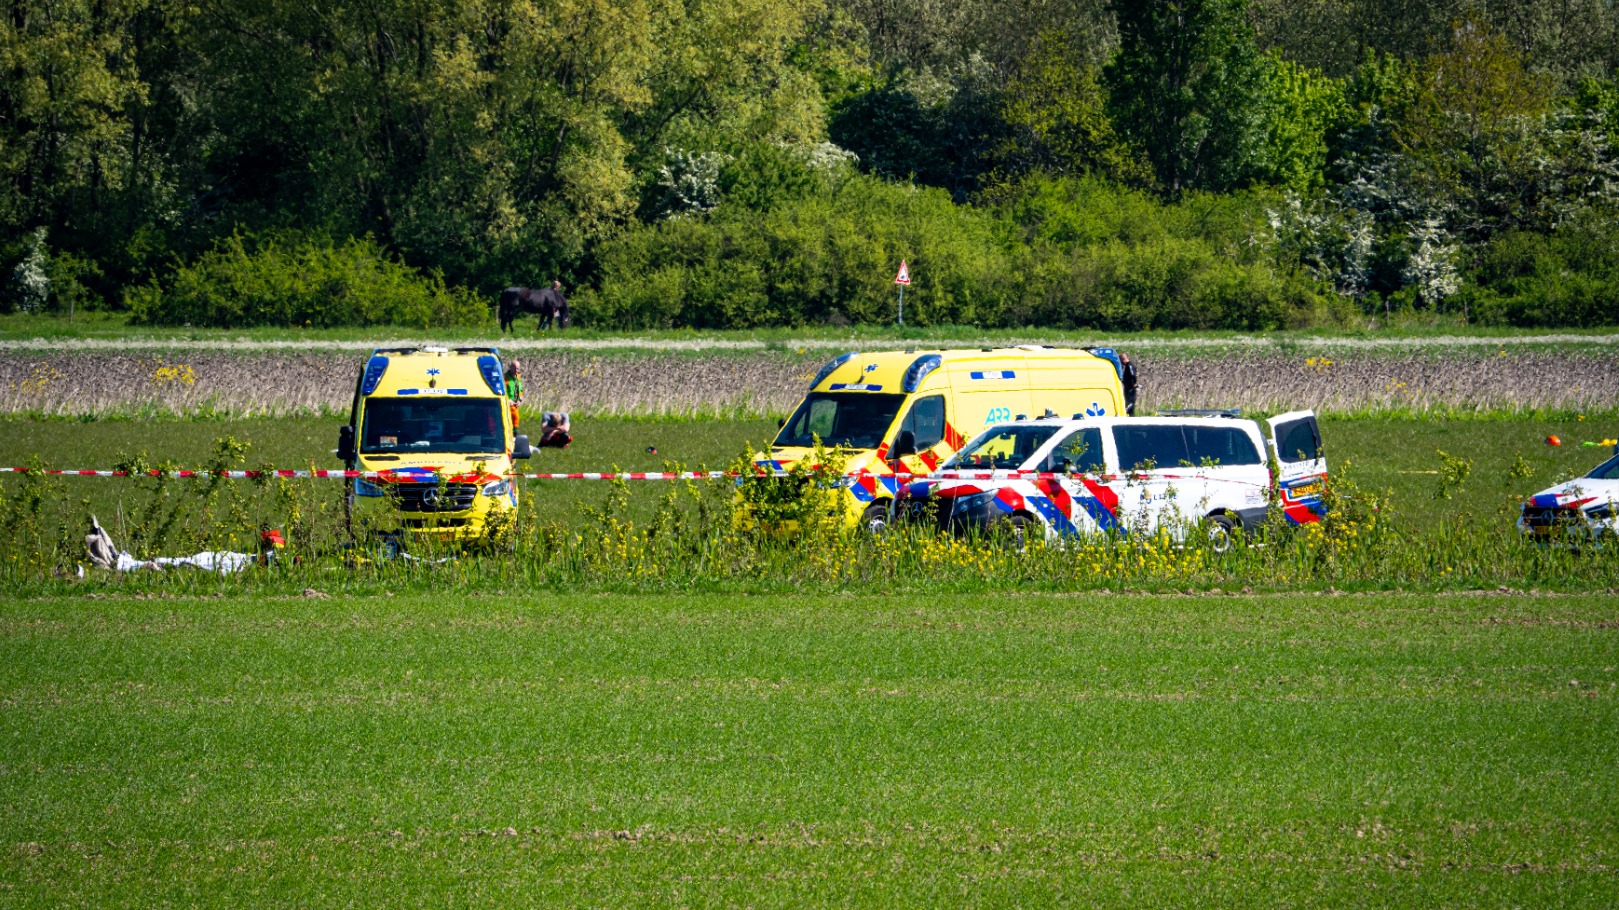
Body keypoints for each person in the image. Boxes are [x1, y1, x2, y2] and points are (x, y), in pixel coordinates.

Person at [504, 359, 523, 427]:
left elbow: (520, 390)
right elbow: (502, 391)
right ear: (510, 367)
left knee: (511, 420)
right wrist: (507, 400)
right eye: (514, 368)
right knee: (515, 417)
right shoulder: (505, 377)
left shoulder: (518, 377)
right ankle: (515, 434)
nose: (516, 370)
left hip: (515, 404)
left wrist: (520, 400)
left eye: (517, 368)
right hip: (508, 403)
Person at [1120, 351, 1138, 416]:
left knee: (1129, 406)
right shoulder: (1127, 366)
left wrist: (1133, 383)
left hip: (1130, 389)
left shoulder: (1129, 366)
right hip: (1128, 388)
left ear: (1123, 359)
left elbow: (1132, 375)